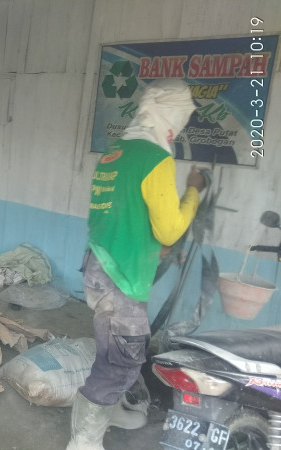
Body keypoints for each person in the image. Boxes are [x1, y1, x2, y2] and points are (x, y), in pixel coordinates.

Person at [67, 79, 206, 450]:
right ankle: (83, 442)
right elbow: (170, 229)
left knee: (110, 352)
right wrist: (193, 190)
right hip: (121, 278)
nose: (180, 127)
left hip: (98, 267)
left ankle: (107, 413)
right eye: (180, 118)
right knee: (122, 362)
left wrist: (150, 246)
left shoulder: (115, 152)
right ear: (169, 116)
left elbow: (120, 217)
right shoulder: (155, 158)